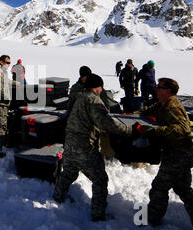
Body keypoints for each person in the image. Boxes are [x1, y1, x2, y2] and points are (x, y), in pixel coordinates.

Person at [135, 78, 193, 230]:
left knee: (159, 188)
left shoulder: (173, 108)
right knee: (184, 190)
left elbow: (183, 130)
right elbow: (149, 111)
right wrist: (132, 115)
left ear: (168, 92)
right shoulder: (163, 104)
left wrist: (155, 131)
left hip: (179, 155)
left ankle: (150, 221)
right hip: (181, 154)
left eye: (160, 87)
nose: (156, 89)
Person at [53, 74, 133, 221]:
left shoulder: (80, 97)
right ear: (97, 87)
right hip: (84, 147)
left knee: (69, 173)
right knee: (100, 180)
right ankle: (98, 215)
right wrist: (129, 130)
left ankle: (57, 197)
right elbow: (106, 122)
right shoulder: (94, 100)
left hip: (70, 144)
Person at [0, 55, 18, 158]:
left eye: (10, 63)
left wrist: (16, 83)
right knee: (1, 126)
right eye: (7, 62)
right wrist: (5, 97)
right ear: (1, 62)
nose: (8, 65)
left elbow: (6, 82)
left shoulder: (2, 72)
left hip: (1, 103)